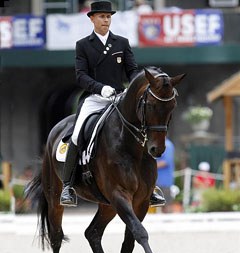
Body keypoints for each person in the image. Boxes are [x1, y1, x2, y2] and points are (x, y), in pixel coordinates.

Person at [60, 1, 166, 207]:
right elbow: (80, 76)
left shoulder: (121, 43)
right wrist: (100, 88)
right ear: (92, 18)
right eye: (101, 16)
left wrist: (138, 86)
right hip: (96, 98)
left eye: (108, 17)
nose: (105, 20)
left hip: (119, 96)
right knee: (76, 133)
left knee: (142, 131)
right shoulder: (83, 45)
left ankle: (151, 187)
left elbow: (133, 71)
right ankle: (67, 186)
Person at [155, 138, 175, 210]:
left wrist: (150, 166)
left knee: (167, 205)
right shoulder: (156, 144)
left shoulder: (168, 145)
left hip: (165, 181)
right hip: (156, 180)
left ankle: (170, 220)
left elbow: (166, 162)